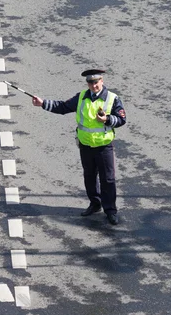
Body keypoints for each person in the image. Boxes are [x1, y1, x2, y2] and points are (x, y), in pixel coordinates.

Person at [32, 69, 126, 225]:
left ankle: (110, 210)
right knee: (89, 176)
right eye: (90, 82)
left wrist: (107, 119)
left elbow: (122, 119)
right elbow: (62, 107)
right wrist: (43, 103)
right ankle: (95, 204)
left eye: (96, 82)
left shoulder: (112, 98)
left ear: (102, 81)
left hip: (103, 146)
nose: (93, 85)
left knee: (107, 180)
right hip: (85, 145)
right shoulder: (81, 97)